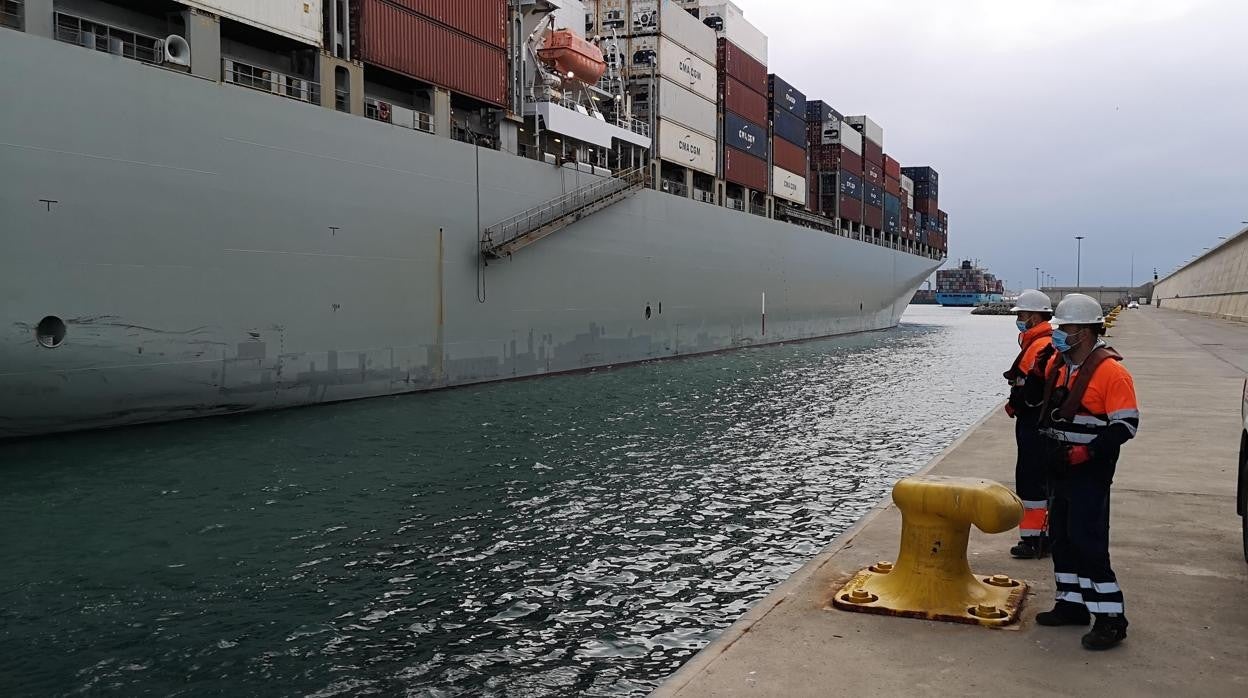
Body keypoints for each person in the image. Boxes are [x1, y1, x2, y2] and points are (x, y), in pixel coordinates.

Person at [1031, 293, 1139, 651]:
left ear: (1088, 332)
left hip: (1090, 470)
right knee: (1061, 536)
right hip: (1061, 467)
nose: (1060, 334)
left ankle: (1111, 619)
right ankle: (1071, 604)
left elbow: (1125, 426)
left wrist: (1087, 452)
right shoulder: (1061, 366)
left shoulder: (1111, 372)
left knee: (1087, 540)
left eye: (1068, 329)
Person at [1003, 289, 1055, 559]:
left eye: (1022, 315)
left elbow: (1031, 388)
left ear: (1034, 317)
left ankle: (1034, 540)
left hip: (1033, 422)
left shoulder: (1038, 345)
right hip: (1038, 420)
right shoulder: (1043, 342)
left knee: (1032, 480)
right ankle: (1043, 537)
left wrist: (1016, 403)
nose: (1019, 320)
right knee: (1040, 480)